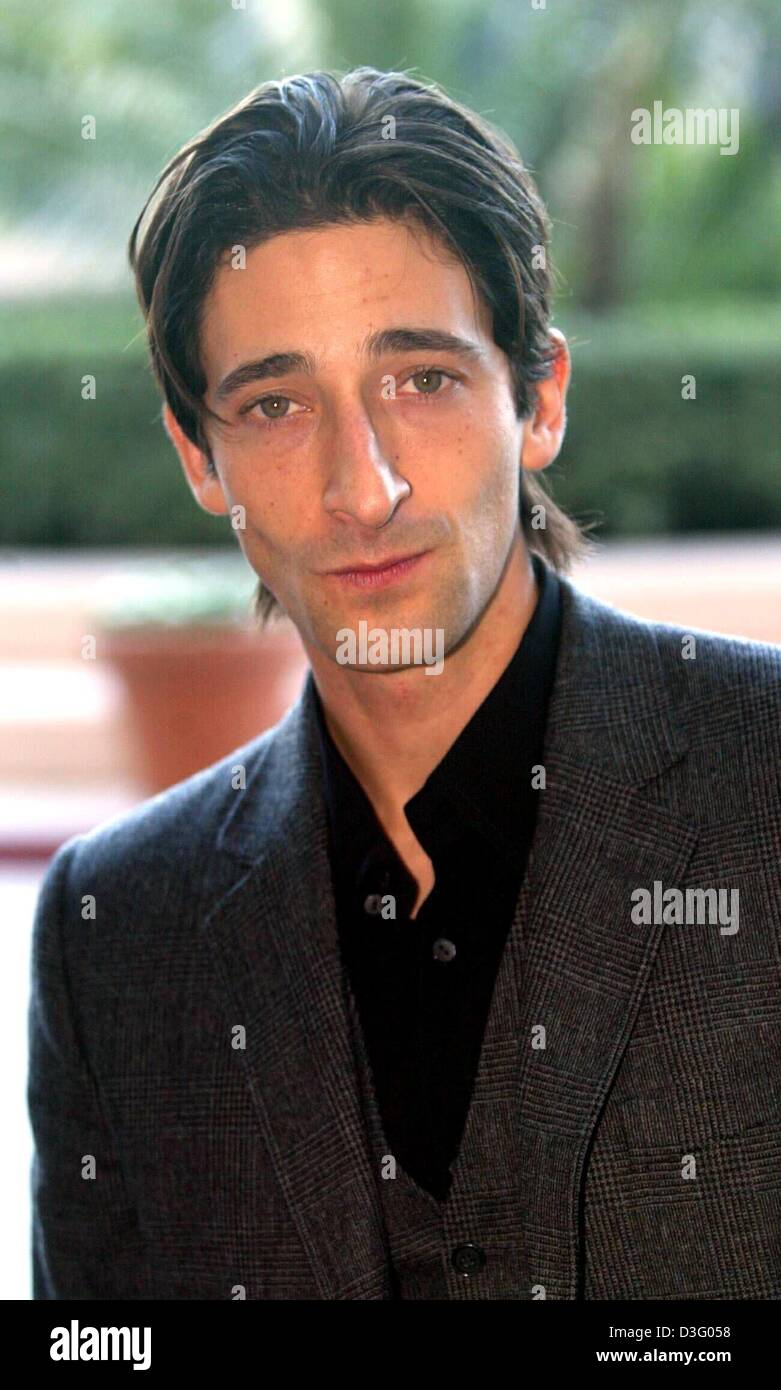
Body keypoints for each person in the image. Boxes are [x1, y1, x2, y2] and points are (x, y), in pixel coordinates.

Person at [28, 67, 781, 1301]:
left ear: (537, 398)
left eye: (420, 379)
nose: (359, 485)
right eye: (274, 404)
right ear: (196, 457)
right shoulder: (113, 935)